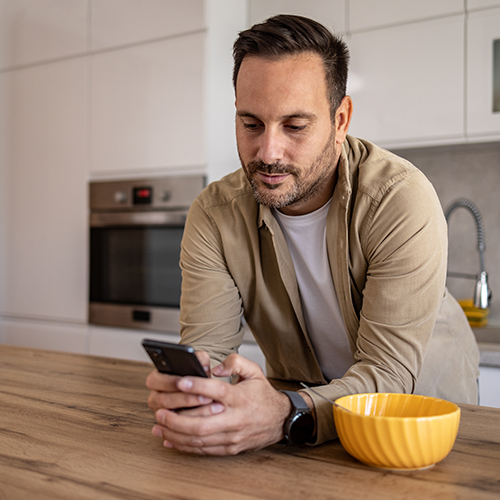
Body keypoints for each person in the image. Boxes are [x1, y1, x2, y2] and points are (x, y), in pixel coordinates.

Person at [146, 14, 480, 455]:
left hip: (414, 426)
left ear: (340, 119)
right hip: (293, 428)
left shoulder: (400, 200)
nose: (268, 152)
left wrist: (285, 412)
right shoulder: (214, 214)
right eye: (250, 124)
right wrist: (197, 394)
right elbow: (208, 353)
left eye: (295, 126)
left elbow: (388, 374)